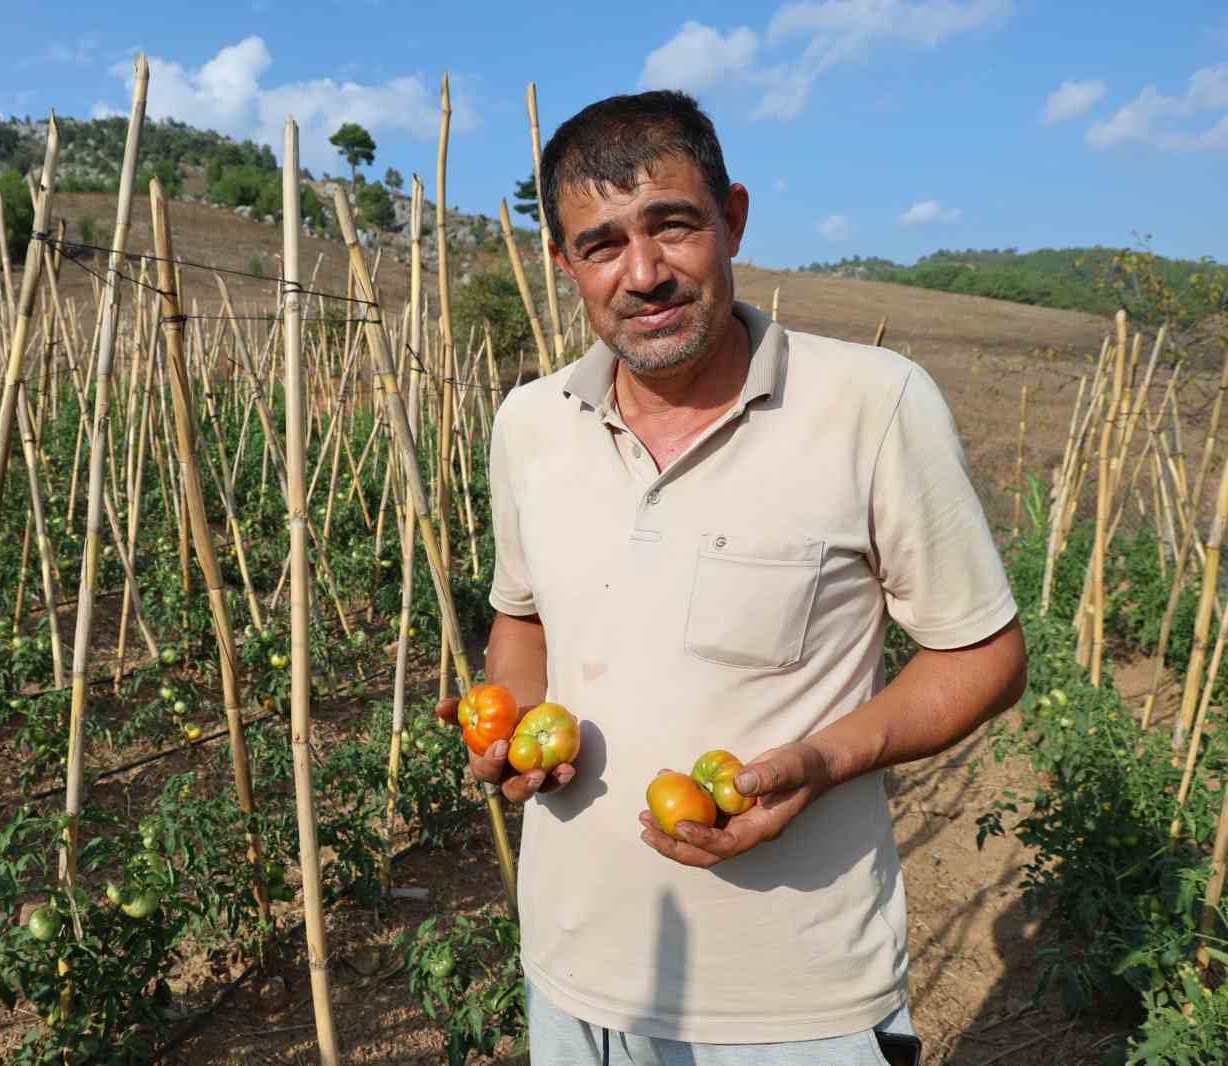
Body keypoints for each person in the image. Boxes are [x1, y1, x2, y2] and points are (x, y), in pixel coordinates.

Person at [434, 90, 1027, 1065]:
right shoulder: (529, 424)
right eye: (600, 243)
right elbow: (521, 620)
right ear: (563, 263)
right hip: (570, 969)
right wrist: (514, 732)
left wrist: (826, 760)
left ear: (732, 219)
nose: (643, 274)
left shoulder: (870, 406)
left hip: (793, 1001)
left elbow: (985, 654)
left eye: (672, 227)